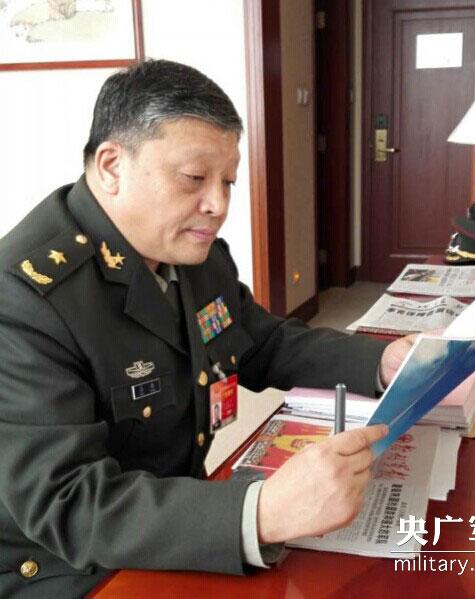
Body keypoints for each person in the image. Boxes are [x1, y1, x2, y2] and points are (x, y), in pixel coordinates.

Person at [0, 59, 414, 598]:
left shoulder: (192, 253)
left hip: (179, 520)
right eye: (195, 178)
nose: (218, 205)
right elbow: (68, 503)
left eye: (227, 182)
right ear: (111, 166)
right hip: (72, 569)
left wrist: (380, 361)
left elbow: (261, 342)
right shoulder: (25, 297)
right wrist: (261, 512)